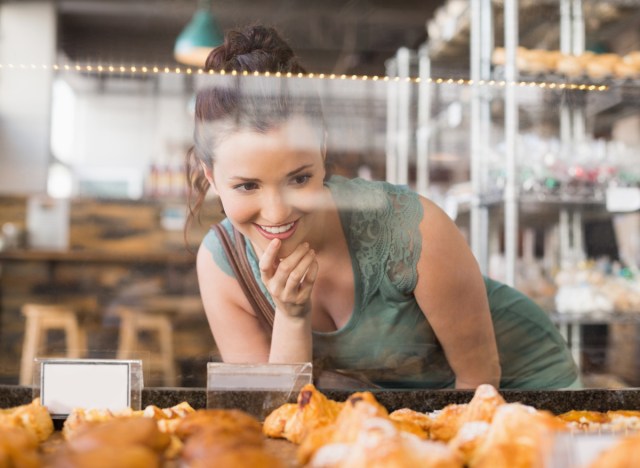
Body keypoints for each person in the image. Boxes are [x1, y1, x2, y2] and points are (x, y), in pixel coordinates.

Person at [185, 25, 580, 390]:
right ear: (211, 176)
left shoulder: (411, 228)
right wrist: (291, 316)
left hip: (523, 389)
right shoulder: (225, 266)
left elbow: (480, 384)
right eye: (247, 186)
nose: (276, 213)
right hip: (419, 410)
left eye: (299, 179)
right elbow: (274, 415)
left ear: (322, 148)